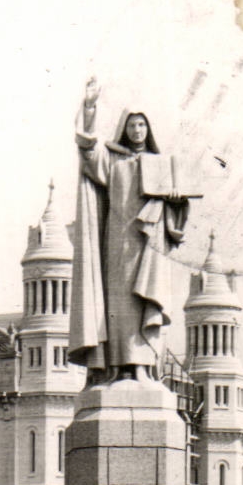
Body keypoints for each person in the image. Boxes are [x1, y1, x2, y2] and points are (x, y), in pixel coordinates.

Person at [69, 81, 190, 383]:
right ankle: (121, 368)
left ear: (149, 130)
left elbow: (176, 211)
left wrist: (177, 203)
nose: (138, 131)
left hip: (150, 246)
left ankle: (143, 368)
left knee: (144, 305)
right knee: (121, 307)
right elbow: (88, 153)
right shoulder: (113, 160)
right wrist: (89, 110)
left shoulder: (160, 165)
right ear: (125, 128)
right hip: (119, 244)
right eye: (133, 125)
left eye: (142, 125)